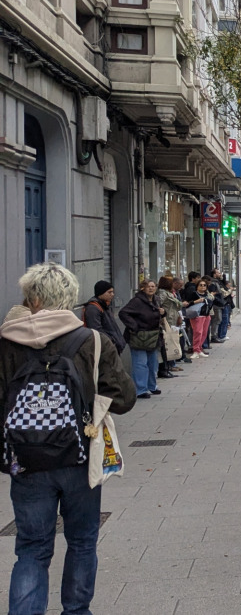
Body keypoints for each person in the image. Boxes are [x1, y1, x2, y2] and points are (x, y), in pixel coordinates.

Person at [0, 262, 136, 615]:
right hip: (80, 454)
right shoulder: (92, 340)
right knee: (82, 540)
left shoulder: (6, 343)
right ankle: (76, 610)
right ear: (70, 298)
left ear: (31, 299)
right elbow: (124, 399)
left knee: (31, 548)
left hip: (26, 459)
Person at [118, 279, 165, 399]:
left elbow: (157, 315)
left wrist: (163, 313)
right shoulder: (137, 301)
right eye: (148, 286)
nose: (151, 288)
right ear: (142, 288)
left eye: (153, 286)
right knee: (140, 363)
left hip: (153, 336)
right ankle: (140, 389)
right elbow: (123, 313)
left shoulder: (156, 300)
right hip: (139, 336)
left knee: (153, 363)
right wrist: (134, 326)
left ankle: (152, 386)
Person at [81, 281, 125, 355]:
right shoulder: (93, 308)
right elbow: (96, 330)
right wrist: (112, 341)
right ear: (100, 293)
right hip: (105, 349)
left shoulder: (104, 306)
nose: (112, 294)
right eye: (109, 292)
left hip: (110, 347)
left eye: (113, 292)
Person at [154, 276, 185, 377]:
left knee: (170, 343)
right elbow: (159, 305)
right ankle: (165, 367)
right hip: (166, 321)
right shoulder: (162, 293)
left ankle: (169, 366)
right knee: (166, 344)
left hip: (172, 320)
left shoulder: (169, 293)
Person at [186, 279, 213, 358]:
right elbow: (187, 304)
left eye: (204, 285)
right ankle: (195, 350)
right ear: (197, 286)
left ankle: (199, 349)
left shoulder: (207, 295)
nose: (202, 287)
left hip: (206, 315)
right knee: (198, 332)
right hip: (197, 315)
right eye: (200, 285)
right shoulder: (194, 294)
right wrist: (196, 301)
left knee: (204, 333)